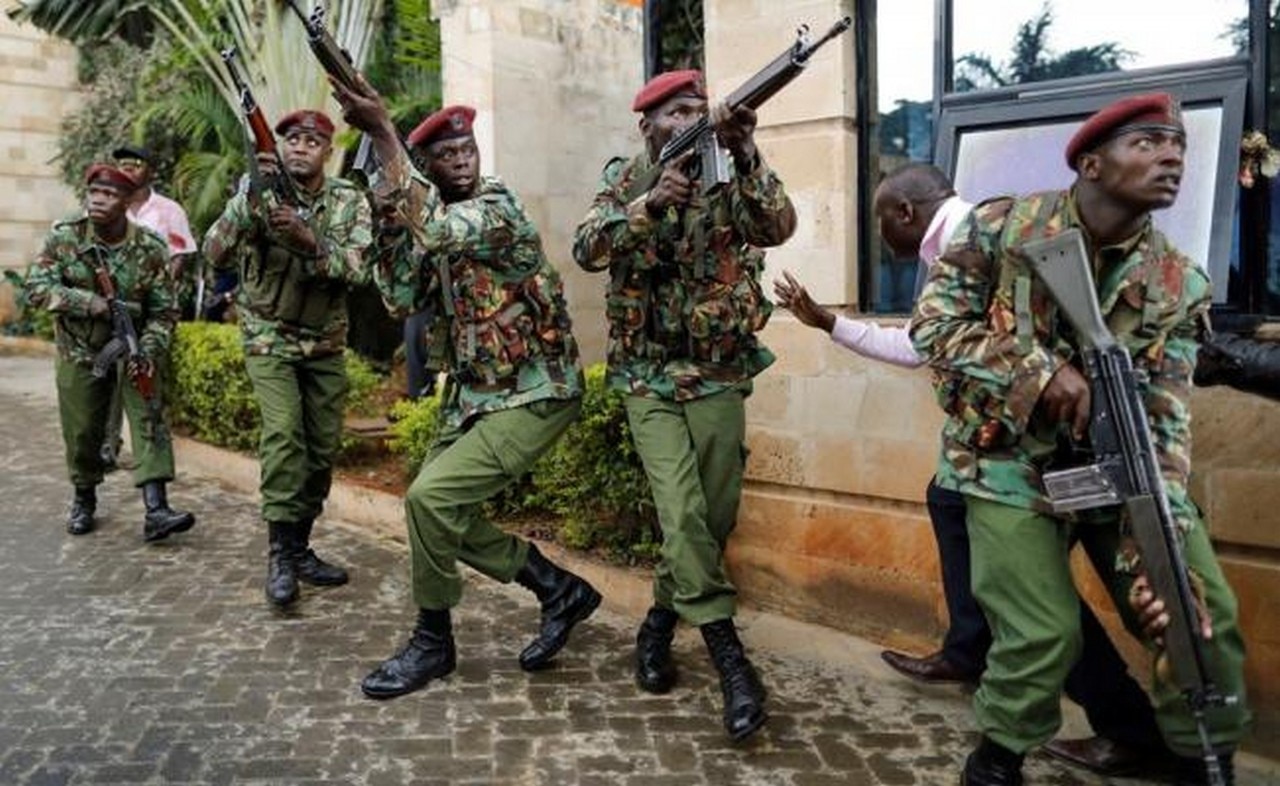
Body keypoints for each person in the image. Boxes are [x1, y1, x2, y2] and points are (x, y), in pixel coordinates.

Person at [773, 164, 1171, 778]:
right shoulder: (949, 253)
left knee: (1039, 610)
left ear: (905, 212)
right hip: (982, 456)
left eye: (879, 220)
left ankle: (1127, 728)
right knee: (948, 502)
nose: (879, 237)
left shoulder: (994, 236)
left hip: (1037, 457)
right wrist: (828, 322)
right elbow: (924, 344)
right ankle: (969, 648)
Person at [910, 93, 1251, 785]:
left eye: (1179, 144)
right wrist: (1040, 372)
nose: (1172, 155)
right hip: (1006, 464)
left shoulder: (1178, 283)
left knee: (1198, 611)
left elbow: (1164, 421)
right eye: (1149, 141)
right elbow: (932, 329)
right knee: (1041, 634)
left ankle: (1196, 756)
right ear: (1091, 164)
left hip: (1121, 470)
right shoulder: (1002, 228)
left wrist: (1160, 548)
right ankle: (997, 760)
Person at [330, 89, 601, 699]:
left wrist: (384, 137)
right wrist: (385, 215)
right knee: (432, 512)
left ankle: (433, 645)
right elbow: (401, 293)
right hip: (478, 394)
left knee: (428, 501)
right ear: (428, 167)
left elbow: (445, 228)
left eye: (466, 147)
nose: (460, 159)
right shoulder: (429, 217)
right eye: (445, 153)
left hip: (536, 391)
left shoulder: (494, 208)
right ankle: (558, 589)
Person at [571, 69, 796, 742]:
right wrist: (646, 204)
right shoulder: (627, 174)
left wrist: (749, 150)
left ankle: (660, 621)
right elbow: (586, 248)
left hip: (718, 370)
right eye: (676, 112)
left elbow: (778, 225)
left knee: (714, 513)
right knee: (681, 508)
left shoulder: (728, 169)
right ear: (648, 126)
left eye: (698, 109)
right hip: (649, 377)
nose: (690, 119)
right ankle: (731, 659)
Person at [202, 109, 372, 608]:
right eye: (291, 140)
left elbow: (359, 271)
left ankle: (299, 547)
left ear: (328, 150)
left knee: (320, 451)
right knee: (284, 434)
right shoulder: (257, 193)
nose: (300, 148)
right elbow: (214, 255)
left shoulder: (347, 201)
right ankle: (279, 554)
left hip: (324, 342)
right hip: (267, 337)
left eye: (311, 141)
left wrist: (310, 240)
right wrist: (247, 198)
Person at [24, 164, 196, 541]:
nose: (98, 200)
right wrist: (89, 303)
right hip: (81, 351)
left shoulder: (149, 247)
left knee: (149, 417)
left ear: (128, 201)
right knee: (84, 432)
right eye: (94, 192)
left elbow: (164, 312)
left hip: (134, 348)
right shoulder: (65, 237)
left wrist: (147, 350)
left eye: (110, 194)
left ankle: (157, 509)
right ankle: (84, 497)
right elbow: (35, 289)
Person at [98, 144, 199, 471]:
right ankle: (108, 446)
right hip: (110, 307)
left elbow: (180, 254)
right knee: (107, 378)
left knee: (146, 380)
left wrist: (158, 289)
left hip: (152, 311)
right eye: (123, 164)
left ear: (151, 171)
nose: (128, 169)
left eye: (136, 164)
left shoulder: (169, 210)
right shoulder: (108, 207)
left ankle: (152, 457)